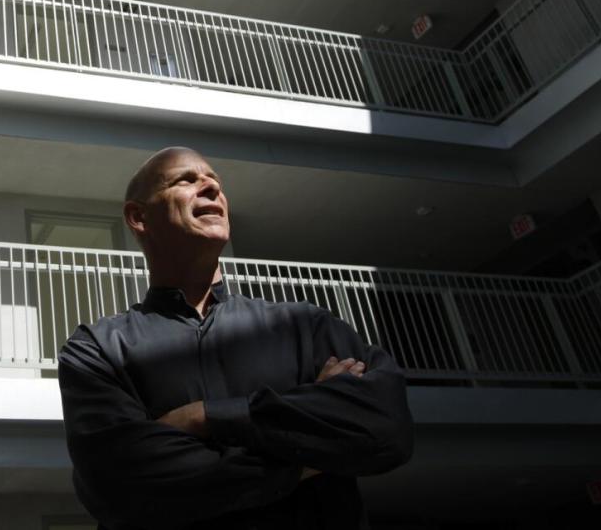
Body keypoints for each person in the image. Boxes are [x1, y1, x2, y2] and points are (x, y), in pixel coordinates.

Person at [58, 147, 413, 529]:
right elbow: (118, 483)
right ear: (138, 216)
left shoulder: (304, 325)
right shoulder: (95, 350)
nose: (210, 186)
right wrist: (314, 448)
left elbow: (385, 429)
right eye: (186, 180)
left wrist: (202, 417)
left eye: (215, 181)